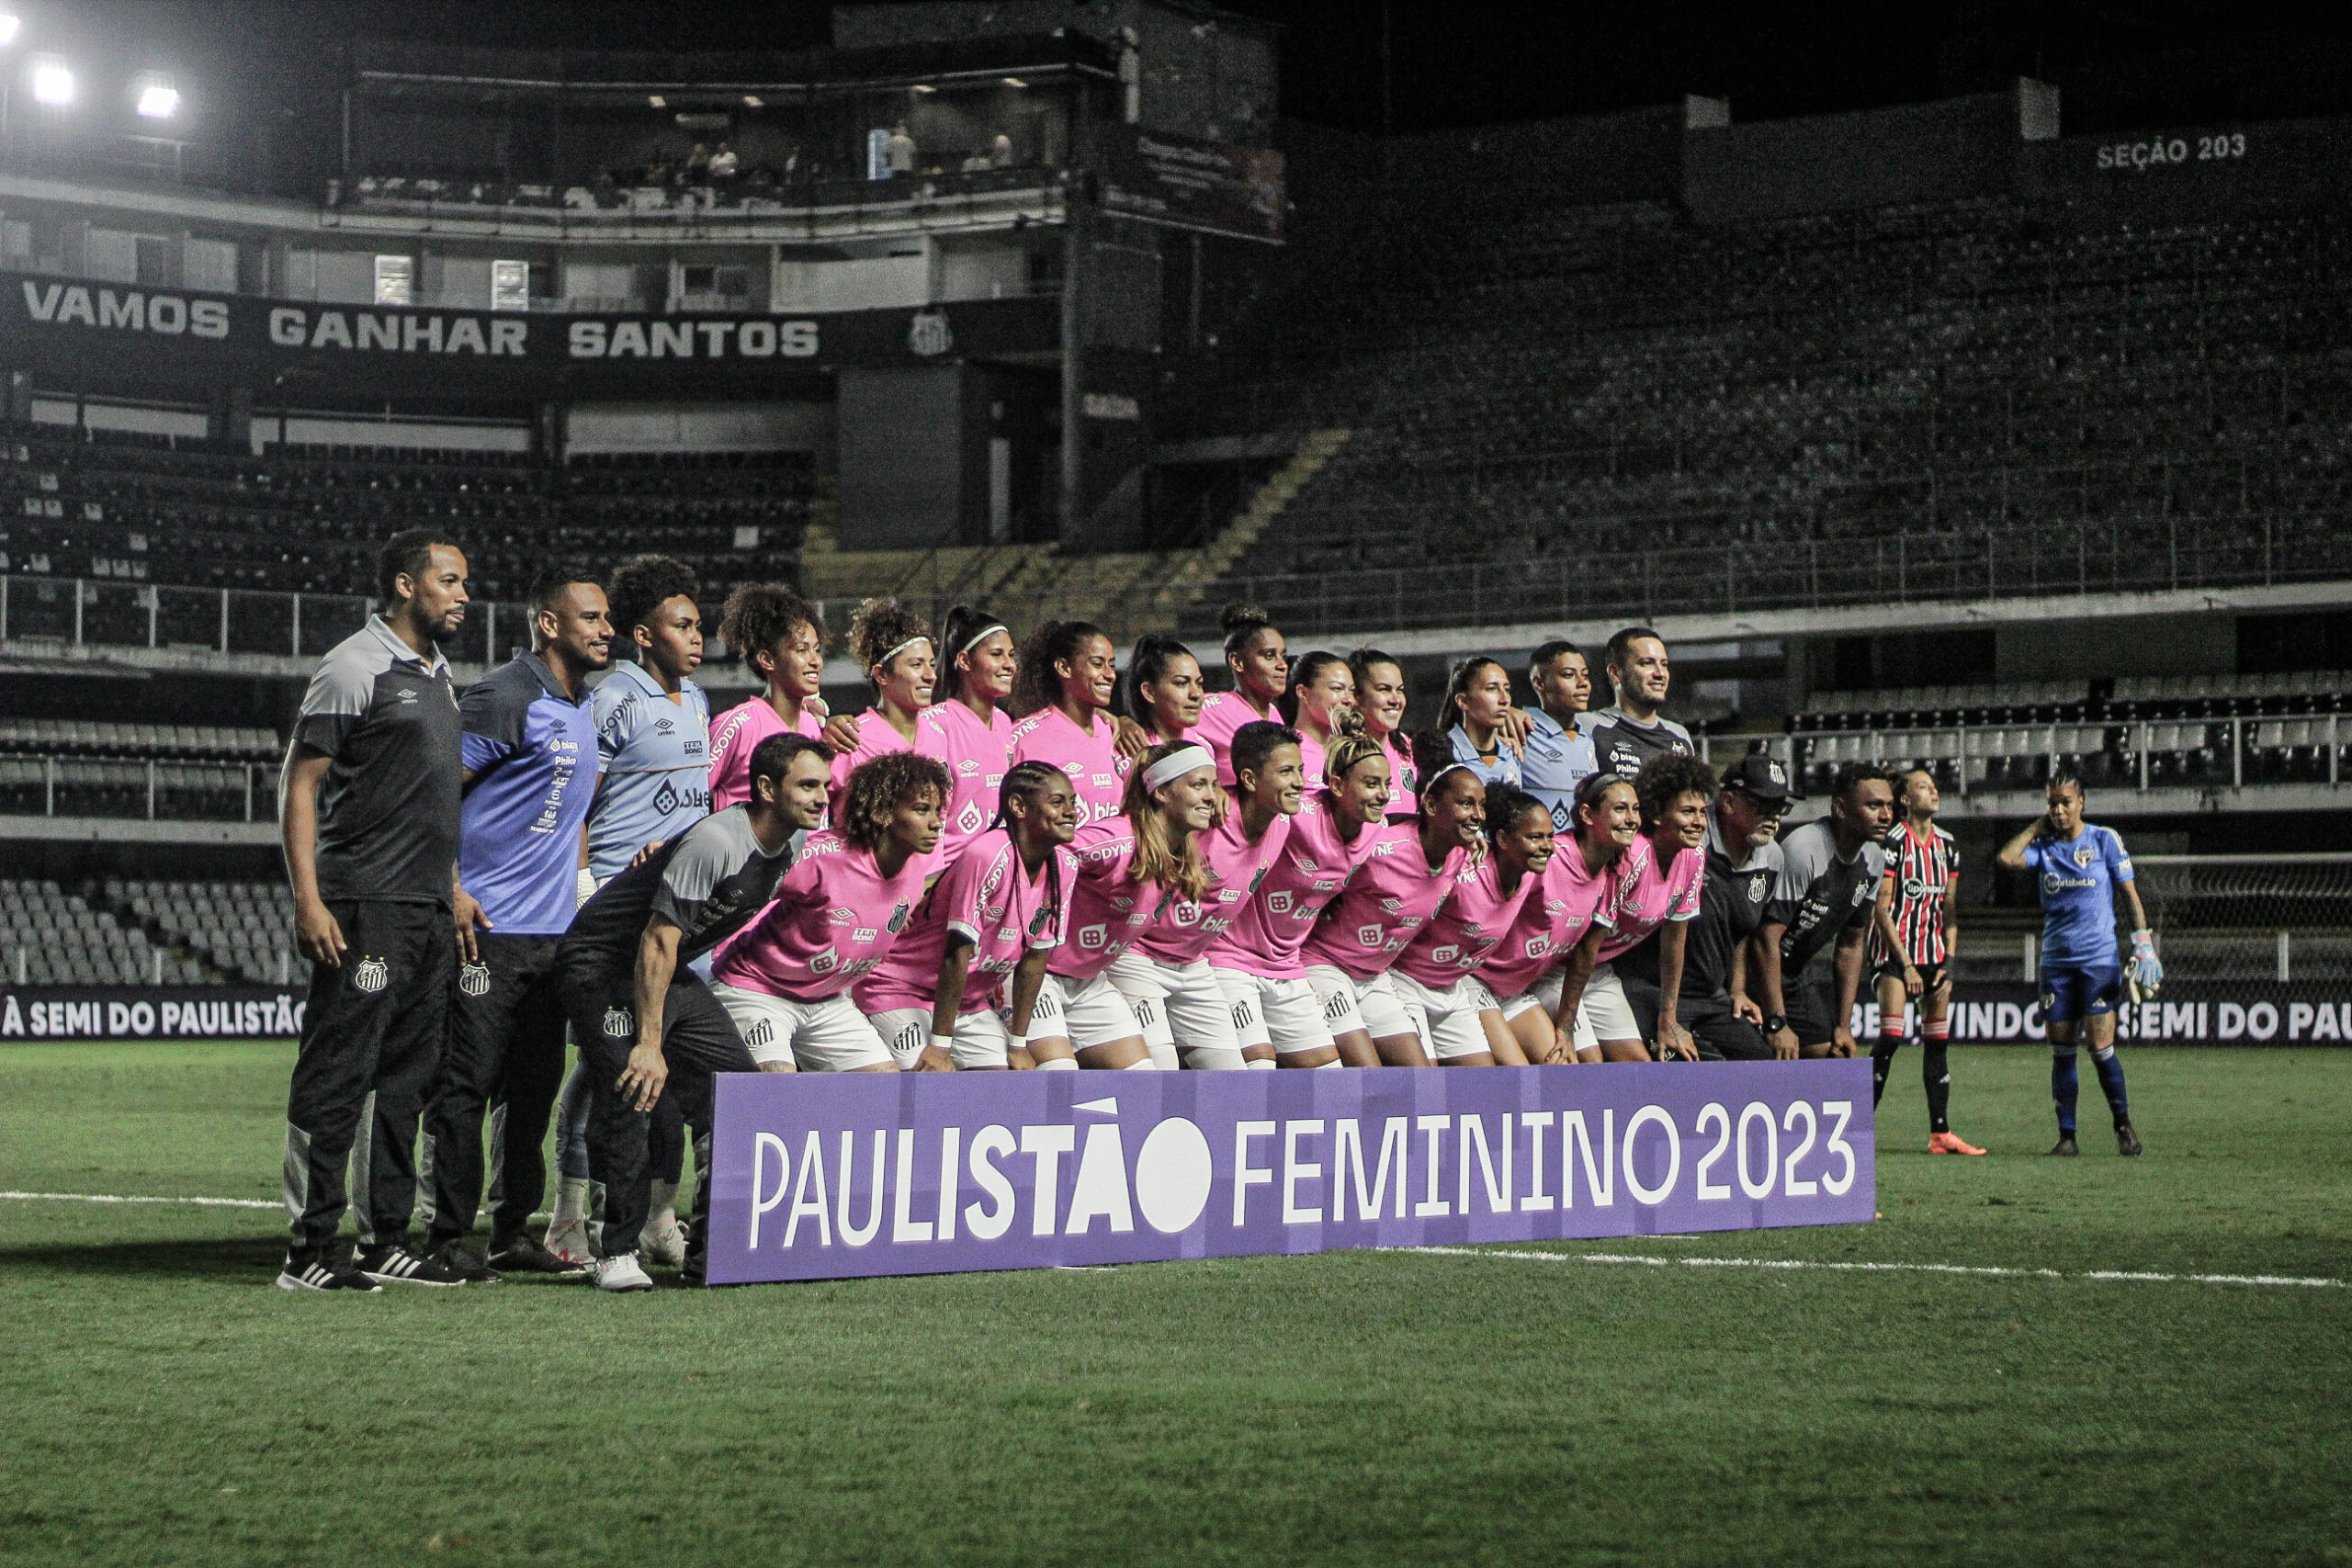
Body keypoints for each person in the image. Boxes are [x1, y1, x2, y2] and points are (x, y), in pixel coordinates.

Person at [557, 732, 831, 1291]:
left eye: (825, 785)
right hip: (603, 963)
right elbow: (657, 939)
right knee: (634, 1087)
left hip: (662, 967)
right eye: (807, 785)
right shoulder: (717, 841)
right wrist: (651, 1044)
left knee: (737, 1091)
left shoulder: (792, 845)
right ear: (765, 788)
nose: (822, 797)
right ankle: (615, 1252)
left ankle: (715, 1253)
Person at [276, 528, 473, 1292]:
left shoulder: (440, 673)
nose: (462, 594)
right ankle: (309, 1248)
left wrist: (450, 888)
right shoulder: (354, 664)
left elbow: (431, 799)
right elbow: (301, 784)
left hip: (425, 908)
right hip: (364, 903)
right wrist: (310, 898)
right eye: (449, 580)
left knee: (408, 1078)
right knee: (337, 1071)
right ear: (403, 585)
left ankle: (384, 1236)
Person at [417, 570, 611, 1284]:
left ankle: (510, 1230)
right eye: (589, 617)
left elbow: (573, 816)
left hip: (554, 935)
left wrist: (583, 892)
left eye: (607, 617)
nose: (604, 628)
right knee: (466, 1085)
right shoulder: (506, 695)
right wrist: (452, 887)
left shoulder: (580, 706)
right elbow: (435, 790)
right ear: (549, 625)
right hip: (488, 930)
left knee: (533, 1090)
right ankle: (442, 1236)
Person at [548, 554, 708, 1269]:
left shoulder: (698, 702)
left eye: (699, 624)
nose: (697, 637)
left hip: (672, 911)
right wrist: (585, 882)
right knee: (606, 1071)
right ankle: (569, 1215)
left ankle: (649, 1217)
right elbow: (578, 795)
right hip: (615, 905)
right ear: (644, 635)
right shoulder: (614, 697)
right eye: (682, 625)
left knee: (638, 1068)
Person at [708, 753, 948, 1073]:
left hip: (828, 1000)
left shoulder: (916, 867)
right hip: (758, 989)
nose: (936, 822)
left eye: (936, 811)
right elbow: (730, 877)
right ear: (882, 812)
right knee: (773, 1085)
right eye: (921, 810)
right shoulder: (823, 856)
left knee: (885, 1093)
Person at [858, 762, 1077, 1069]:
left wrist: (1018, 1044)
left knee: (1003, 1084)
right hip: (901, 988)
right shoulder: (988, 854)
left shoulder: (1065, 866)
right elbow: (955, 955)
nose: (1071, 811)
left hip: (968, 1001)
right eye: (1058, 802)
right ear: (1018, 806)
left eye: (1073, 803)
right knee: (927, 1079)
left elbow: (1035, 959)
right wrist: (940, 1046)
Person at [1114, 720, 1303, 1068]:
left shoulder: (1282, 825)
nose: (1300, 782)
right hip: (1139, 955)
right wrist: (1122, 721)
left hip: (1194, 962)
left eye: (1301, 770)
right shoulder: (1205, 819)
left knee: (1233, 1078)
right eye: (1287, 771)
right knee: (1159, 1070)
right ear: (1247, 780)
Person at [1026, 740, 1220, 1070]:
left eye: (1213, 785)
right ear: (1161, 793)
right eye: (1198, 785)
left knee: (1146, 1079)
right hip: (1038, 973)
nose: (1211, 797)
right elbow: (1052, 852)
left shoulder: (1178, 852)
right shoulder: (1119, 841)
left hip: (1089, 982)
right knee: (1059, 1076)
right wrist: (1043, 923)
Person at [1300, 732, 1483, 1067]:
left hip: (1375, 975)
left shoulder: (1461, 855)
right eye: (1468, 804)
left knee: (1419, 1075)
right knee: (1369, 1072)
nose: (1478, 815)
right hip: (1327, 965)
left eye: (1480, 806)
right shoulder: (1379, 847)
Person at [1209, 732, 1392, 1066]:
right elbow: (1259, 799)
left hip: (1287, 964)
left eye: (1387, 784)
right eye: (1371, 783)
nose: (1383, 795)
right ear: (1336, 786)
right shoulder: (1298, 815)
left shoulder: (1377, 829)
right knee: (1259, 1070)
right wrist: (1220, 791)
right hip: (1230, 956)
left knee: (1331, 1079)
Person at [1997, 774, 2155, 1157]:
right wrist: (2038, 826)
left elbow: (2129, 894)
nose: (2059, 809)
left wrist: (2144, 944)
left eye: (2066, 802)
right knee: (2062, 1050)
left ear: (2082, 801)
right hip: (2056, 964)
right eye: (2053, 803)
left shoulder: (2104, 839)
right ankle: (2067, 1136)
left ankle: (2123, 1125)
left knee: (2101, 1048)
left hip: (2098, 962)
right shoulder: (2046, 847)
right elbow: (2007, 858)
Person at [1616, 751, 1788, 1062]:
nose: (1774, 816)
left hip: (1711, 996)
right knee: (1702, 1066)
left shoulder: (1771, 858)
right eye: (1763, 805)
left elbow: (1741, 928)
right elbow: (1669, 936)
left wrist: (1737, 988)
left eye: (1781, 807)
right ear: (1728, 803)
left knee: (1762, 1063)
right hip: (1652, 987)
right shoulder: (1687, 846)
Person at [1388, 780, 1554, 1066]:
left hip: (1453, 986)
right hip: (1406, 980)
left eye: (1549, 837)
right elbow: (1413, 840)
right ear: (1502, 840)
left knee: (1482, 1078)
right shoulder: (1465, 868)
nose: (1547, 847)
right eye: (1535, 837)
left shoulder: (1531, 876)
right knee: (1421, 1079)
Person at [1872, 768, 1984, 1155]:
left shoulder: (1948, 846)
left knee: (1937, 1043)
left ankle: (1941, 1134)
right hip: (1895, 956)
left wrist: (1948, 962)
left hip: (1934, 957)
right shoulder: (1893, 843)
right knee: (1891, 1037)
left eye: (1934, 787)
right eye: (1923, 787)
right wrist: (1904, 965)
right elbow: (1882, 909)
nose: (1933, 791)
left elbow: (1949, 909)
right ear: (1905, 799)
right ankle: (1855, 1130)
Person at [1493, 771, 1635, 1066]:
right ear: (1587, 814)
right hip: (1481, 981)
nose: (1632, 818)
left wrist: (1565, 1028)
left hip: (1524, 984)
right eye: (1620, 809)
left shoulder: (1614, 871)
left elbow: (1585, 953)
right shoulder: (1549, 858)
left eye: (1636, 809)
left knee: (1576, 1062)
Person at [1754, 761, 1894, 1061]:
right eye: (1874, 806)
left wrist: (1844, 1026)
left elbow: (1851, 945)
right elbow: (1766, 940)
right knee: (1772, 1055)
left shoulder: (1873, 859)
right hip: (1754, 970)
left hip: (1794, 974)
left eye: (1889, 806)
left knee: (1836, 1056)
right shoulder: (1804, 849)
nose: (1886, 816)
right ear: (1841, 808)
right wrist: (1777, 1021)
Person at [1578, 754, 1712, 1063]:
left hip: (1599, 973)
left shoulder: (1694, 856)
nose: (1699, 822)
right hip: (1562, 968)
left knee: (1639, 1066)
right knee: (1589, 1062)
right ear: (1656, 815)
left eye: (1703, 813)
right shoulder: (1631, 854)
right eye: (1688, 812)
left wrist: (1669, 1019)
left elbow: (1674, 941)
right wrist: (1565, 1019)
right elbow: (1587, 943)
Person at [707, 583, 848, 811]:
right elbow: (691, 793)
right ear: (768, 660)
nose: (816, 661)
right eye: (801, 650)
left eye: (817, 649)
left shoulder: (812, 725)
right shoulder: (738, 725)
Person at [918, 605, 1019, 868]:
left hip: (1000, 876)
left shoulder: (1005, 723)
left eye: (1011, 655)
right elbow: (927, 813)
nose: (1009, 665)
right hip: (951, 878)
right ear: (964, 661)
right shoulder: (936, 724)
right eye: (997, 655)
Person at [1007, 619, 1127, 827]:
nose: (1110, 675)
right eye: (1097, 664)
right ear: (1064, 667)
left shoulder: (1115, 733)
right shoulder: (1024, 737)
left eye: (1112, 665)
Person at [827, 598, 935, 819]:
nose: (930, 676)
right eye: (916, 665)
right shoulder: (852, 738)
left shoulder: (940, 733)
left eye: (932, 664)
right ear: (882, 675)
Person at [1194, 602, 1287, 786]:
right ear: (1237, 662)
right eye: (1269, 656)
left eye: (1282, 655)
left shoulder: (1274, 715)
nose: (1282, 665)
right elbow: (1160, 725)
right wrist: (1125, 724)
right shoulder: (1211, 708)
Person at [1587, 626, 1695, 782]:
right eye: (1646, 663)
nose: (1660, 673)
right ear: (1615, 673)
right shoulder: (1589, 726)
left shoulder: (1680, 736)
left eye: (1664, 664)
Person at [1521, 639, 1600, 832]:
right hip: (1540, 852)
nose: (1583, 684)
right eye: (1569, 675)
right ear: (1539, 683)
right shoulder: (1519, 729)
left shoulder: (1588, 740)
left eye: (1585, 676)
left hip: (1578, 857)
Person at [1347, 647, 1419, 815]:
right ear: (1357, 696)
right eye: (1384, 689)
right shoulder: (1340, 754)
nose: (1396, 700)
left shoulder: (1410, 749)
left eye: (1399, 690)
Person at [1276, 650, 1356, 791]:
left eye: (1351, 691)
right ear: (1303, 693)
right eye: (1337, 689)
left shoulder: (1350, 751)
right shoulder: (1284, 751)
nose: (1349, 700)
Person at [1444, 657, 1522, 787]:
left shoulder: (1513, 753)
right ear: (1463, 701)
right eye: (1492, 689)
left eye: (1507, 689)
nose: (1505, 699)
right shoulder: (1445, 753)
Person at [1121, 631, 1205, 746]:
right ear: (1149, 692)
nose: (1196, 694)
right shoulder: (1132, 749)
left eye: (1199, 683)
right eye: (1181, 683)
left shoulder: (1203, 746)